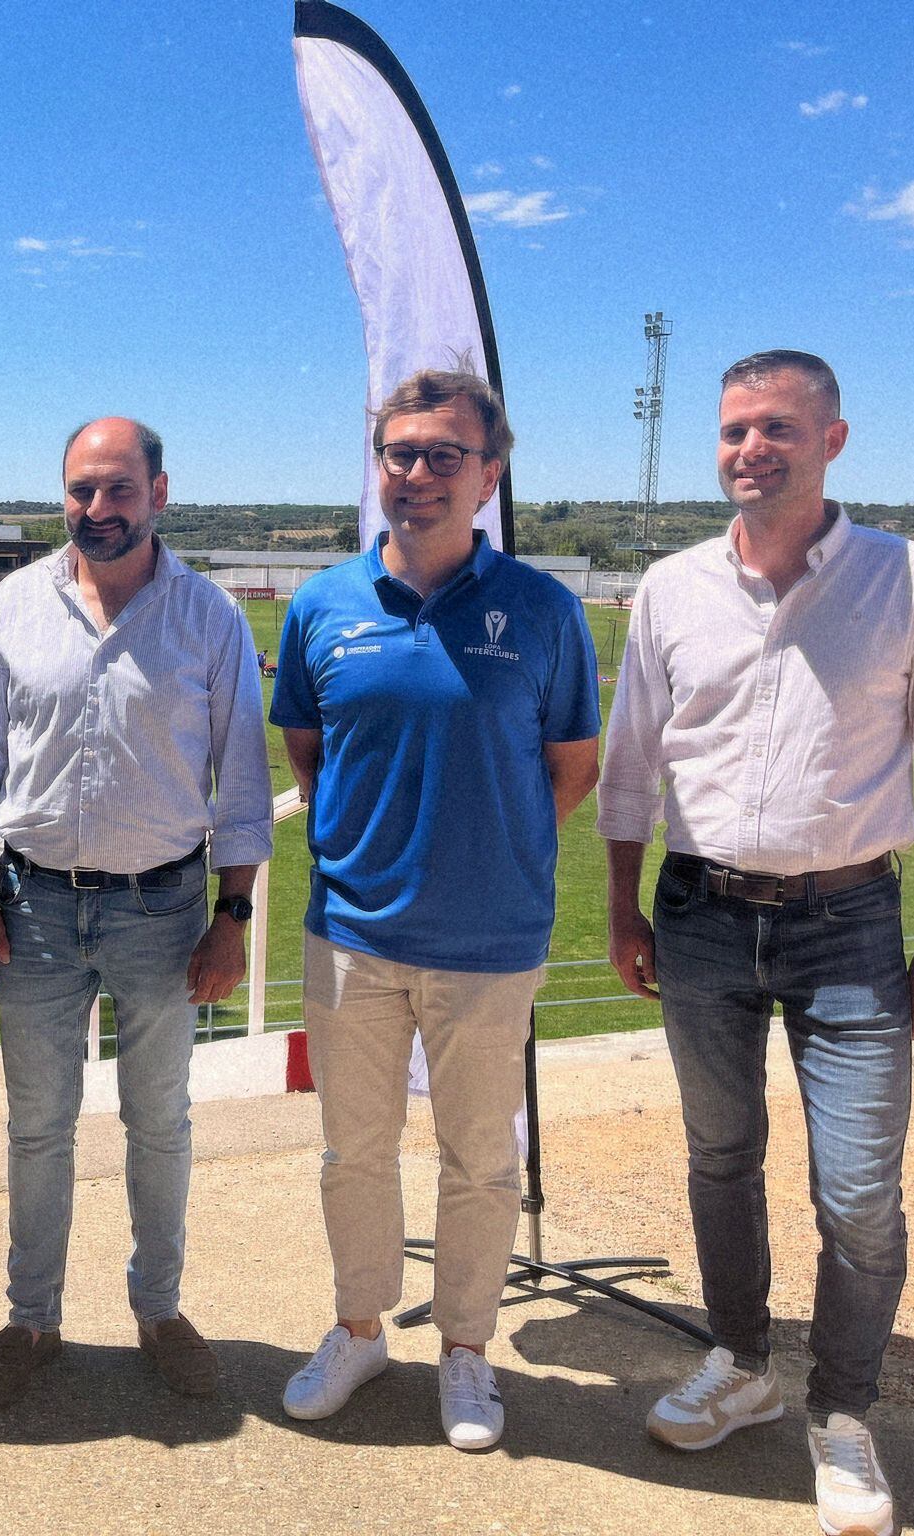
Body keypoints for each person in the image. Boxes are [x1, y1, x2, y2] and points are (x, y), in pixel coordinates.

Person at [599, 351, 914, 1536]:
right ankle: (740, 1362)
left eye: (774, 428)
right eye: (731, 431)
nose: (746, 450)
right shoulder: (671, 588)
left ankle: (840, 1414)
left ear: (833, 439)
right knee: (718, 1160)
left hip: (850, 924)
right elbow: (633, 766)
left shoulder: (913, 580)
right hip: (700, 914)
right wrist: (623, 907)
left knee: (858, 1193)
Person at [269, 370, 600, 1449]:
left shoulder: (543, 611)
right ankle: (360, 1329)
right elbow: (310, 757)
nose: (415, 474)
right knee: (350, 1155)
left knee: (479, 1160)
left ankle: (465, 1352)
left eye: (442, 456)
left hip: (489, 943)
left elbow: (568, 767)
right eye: (398, 453)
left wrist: (477, 857)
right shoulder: (320, 604)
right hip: (351, 938)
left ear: (487, 475)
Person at [0, 417, 274, 1408]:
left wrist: (233, 917)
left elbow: (244, 784)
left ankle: (158, 1308)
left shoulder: (208, 619)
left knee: (157, 1123)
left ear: (158, 492)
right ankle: (30, 1318)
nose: (97, 509)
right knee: (37, 1129)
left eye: (117, 489)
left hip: (163, 910)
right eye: (80, 490)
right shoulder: (14, 605)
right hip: (33, 906)